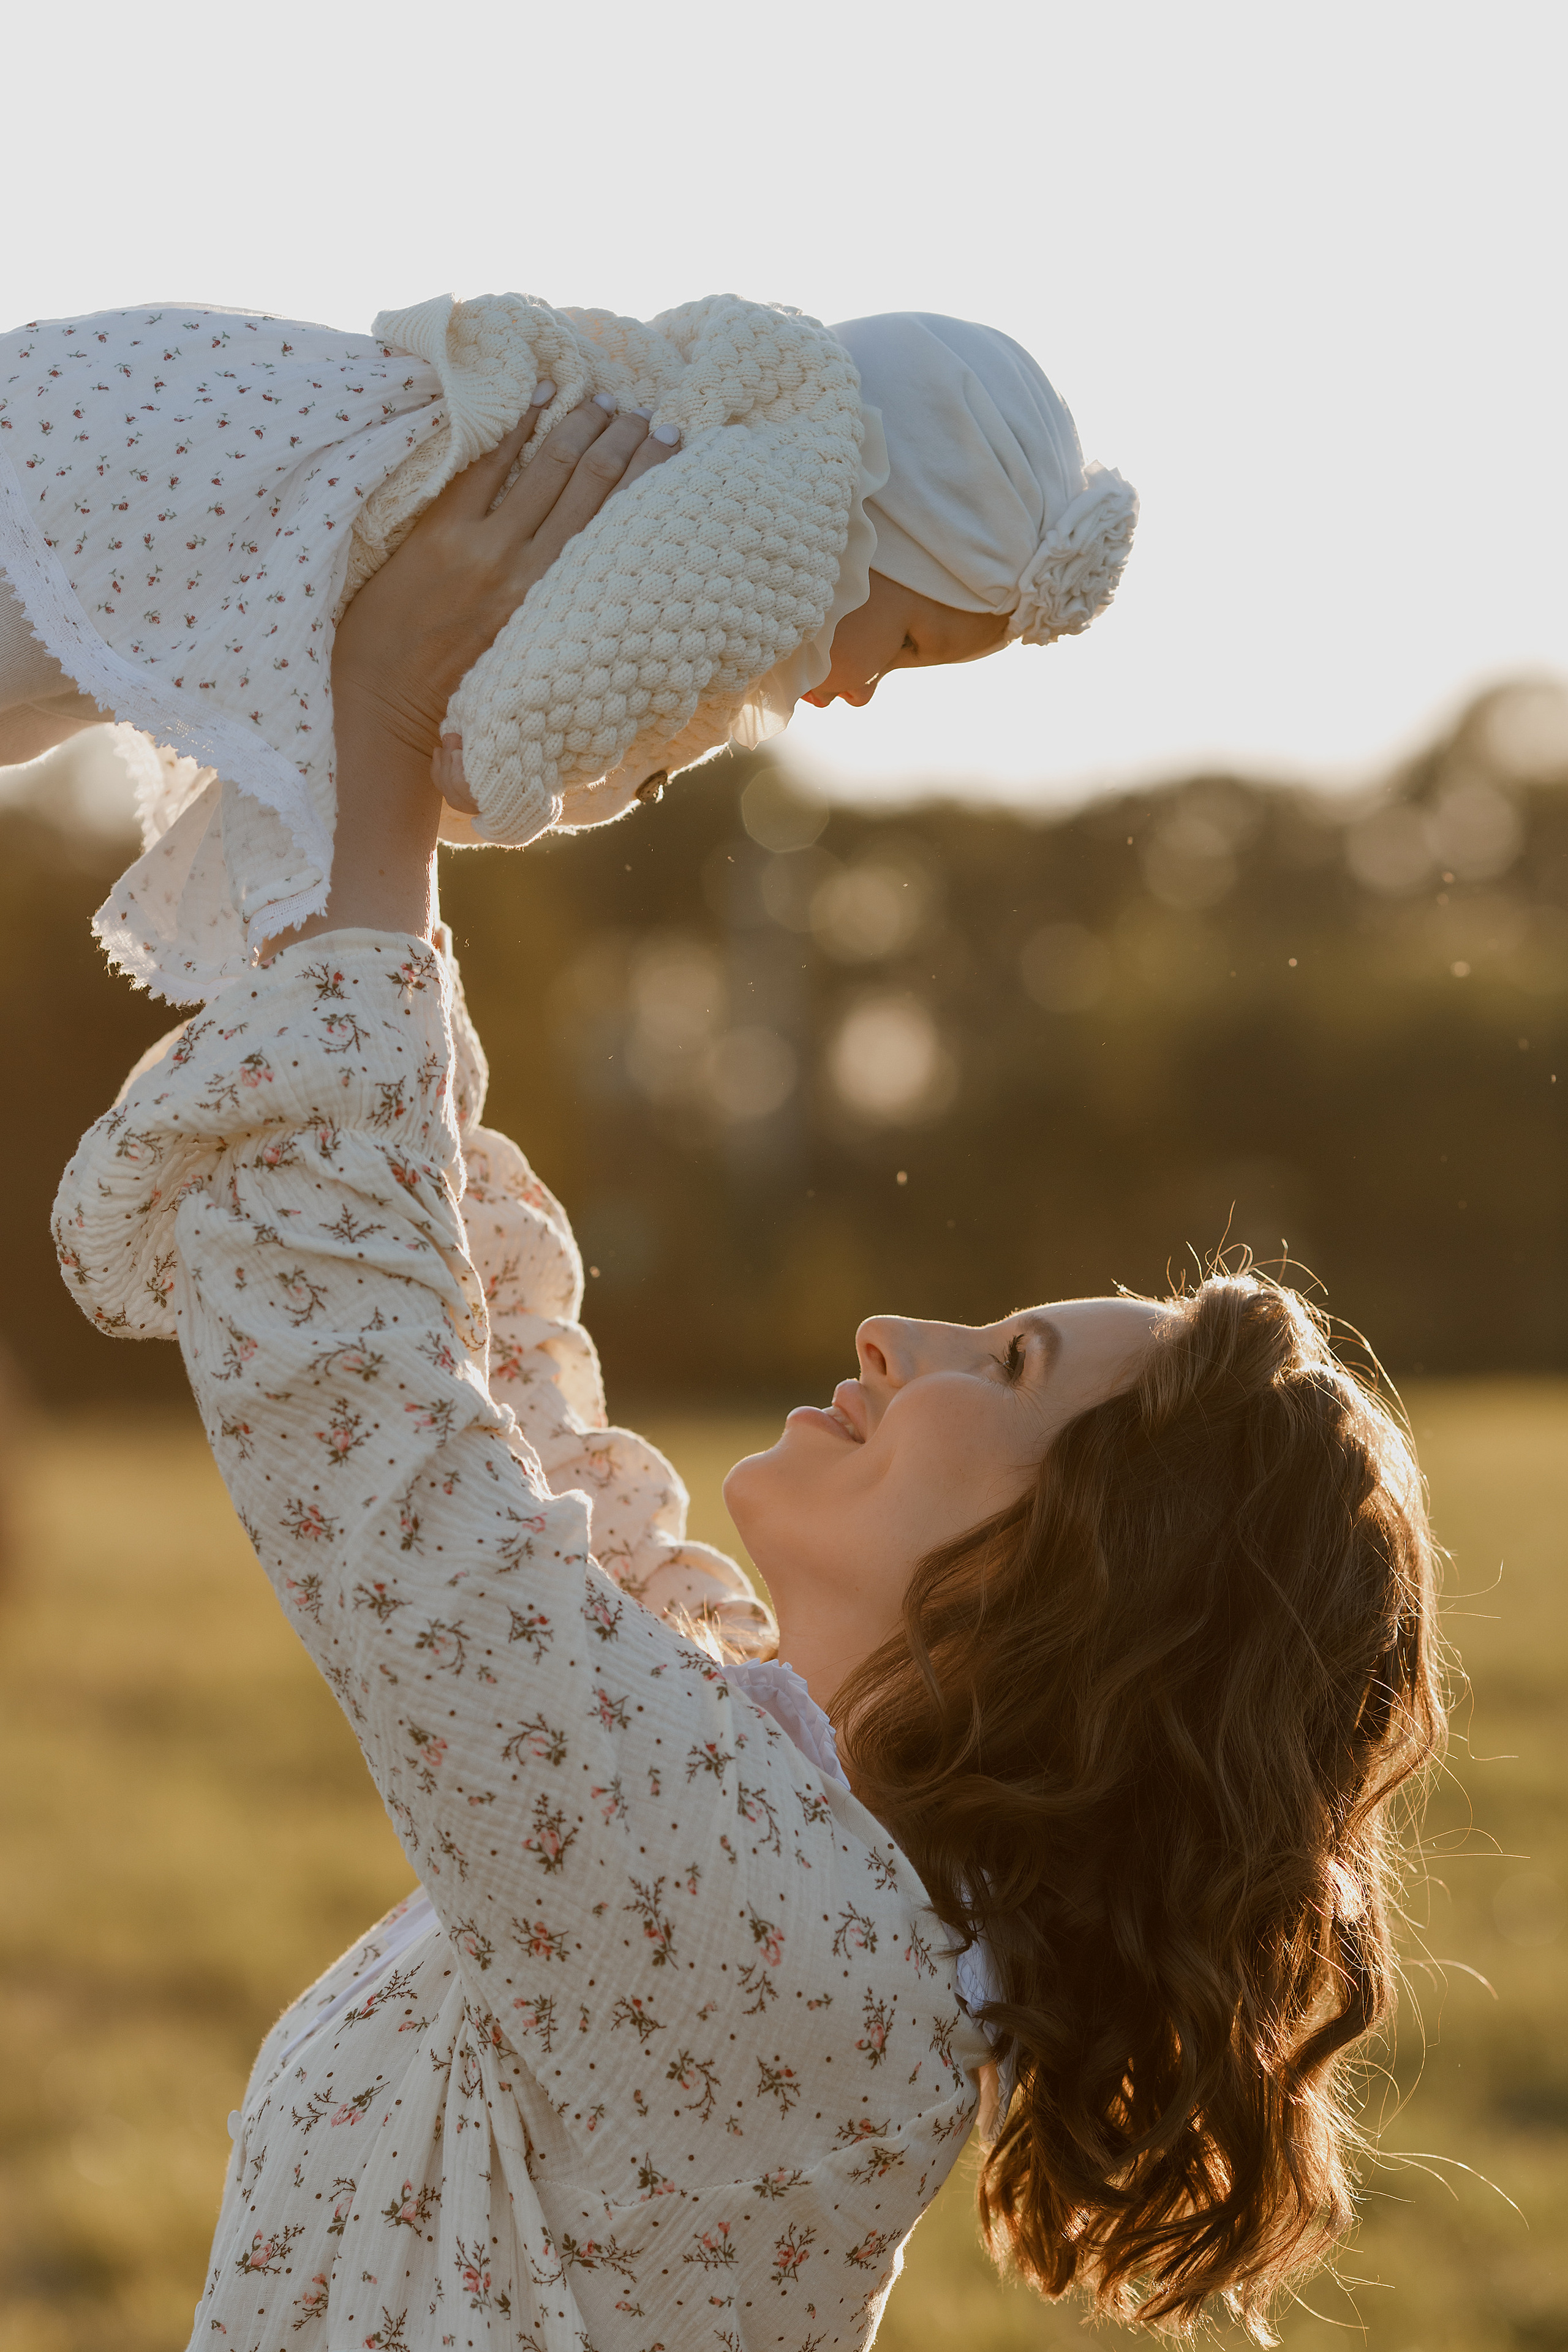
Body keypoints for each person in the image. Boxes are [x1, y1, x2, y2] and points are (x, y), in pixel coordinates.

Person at [52, 386, 1443, 2352]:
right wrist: (407, 787)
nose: (902, 1330)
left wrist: (373, 736)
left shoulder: (780, 1956)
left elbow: (385, 1462)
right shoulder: (765, 1801)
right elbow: (505, 1406)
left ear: (1074, 1596)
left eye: (1012, 1359)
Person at [1, 297, 1135, 1005]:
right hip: (195, 502)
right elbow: (595, 636)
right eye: (902, 643)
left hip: (184, 449)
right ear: (885, 524)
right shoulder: (755, 517)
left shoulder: (714, 452)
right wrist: (506, 763)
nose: (865, 691)